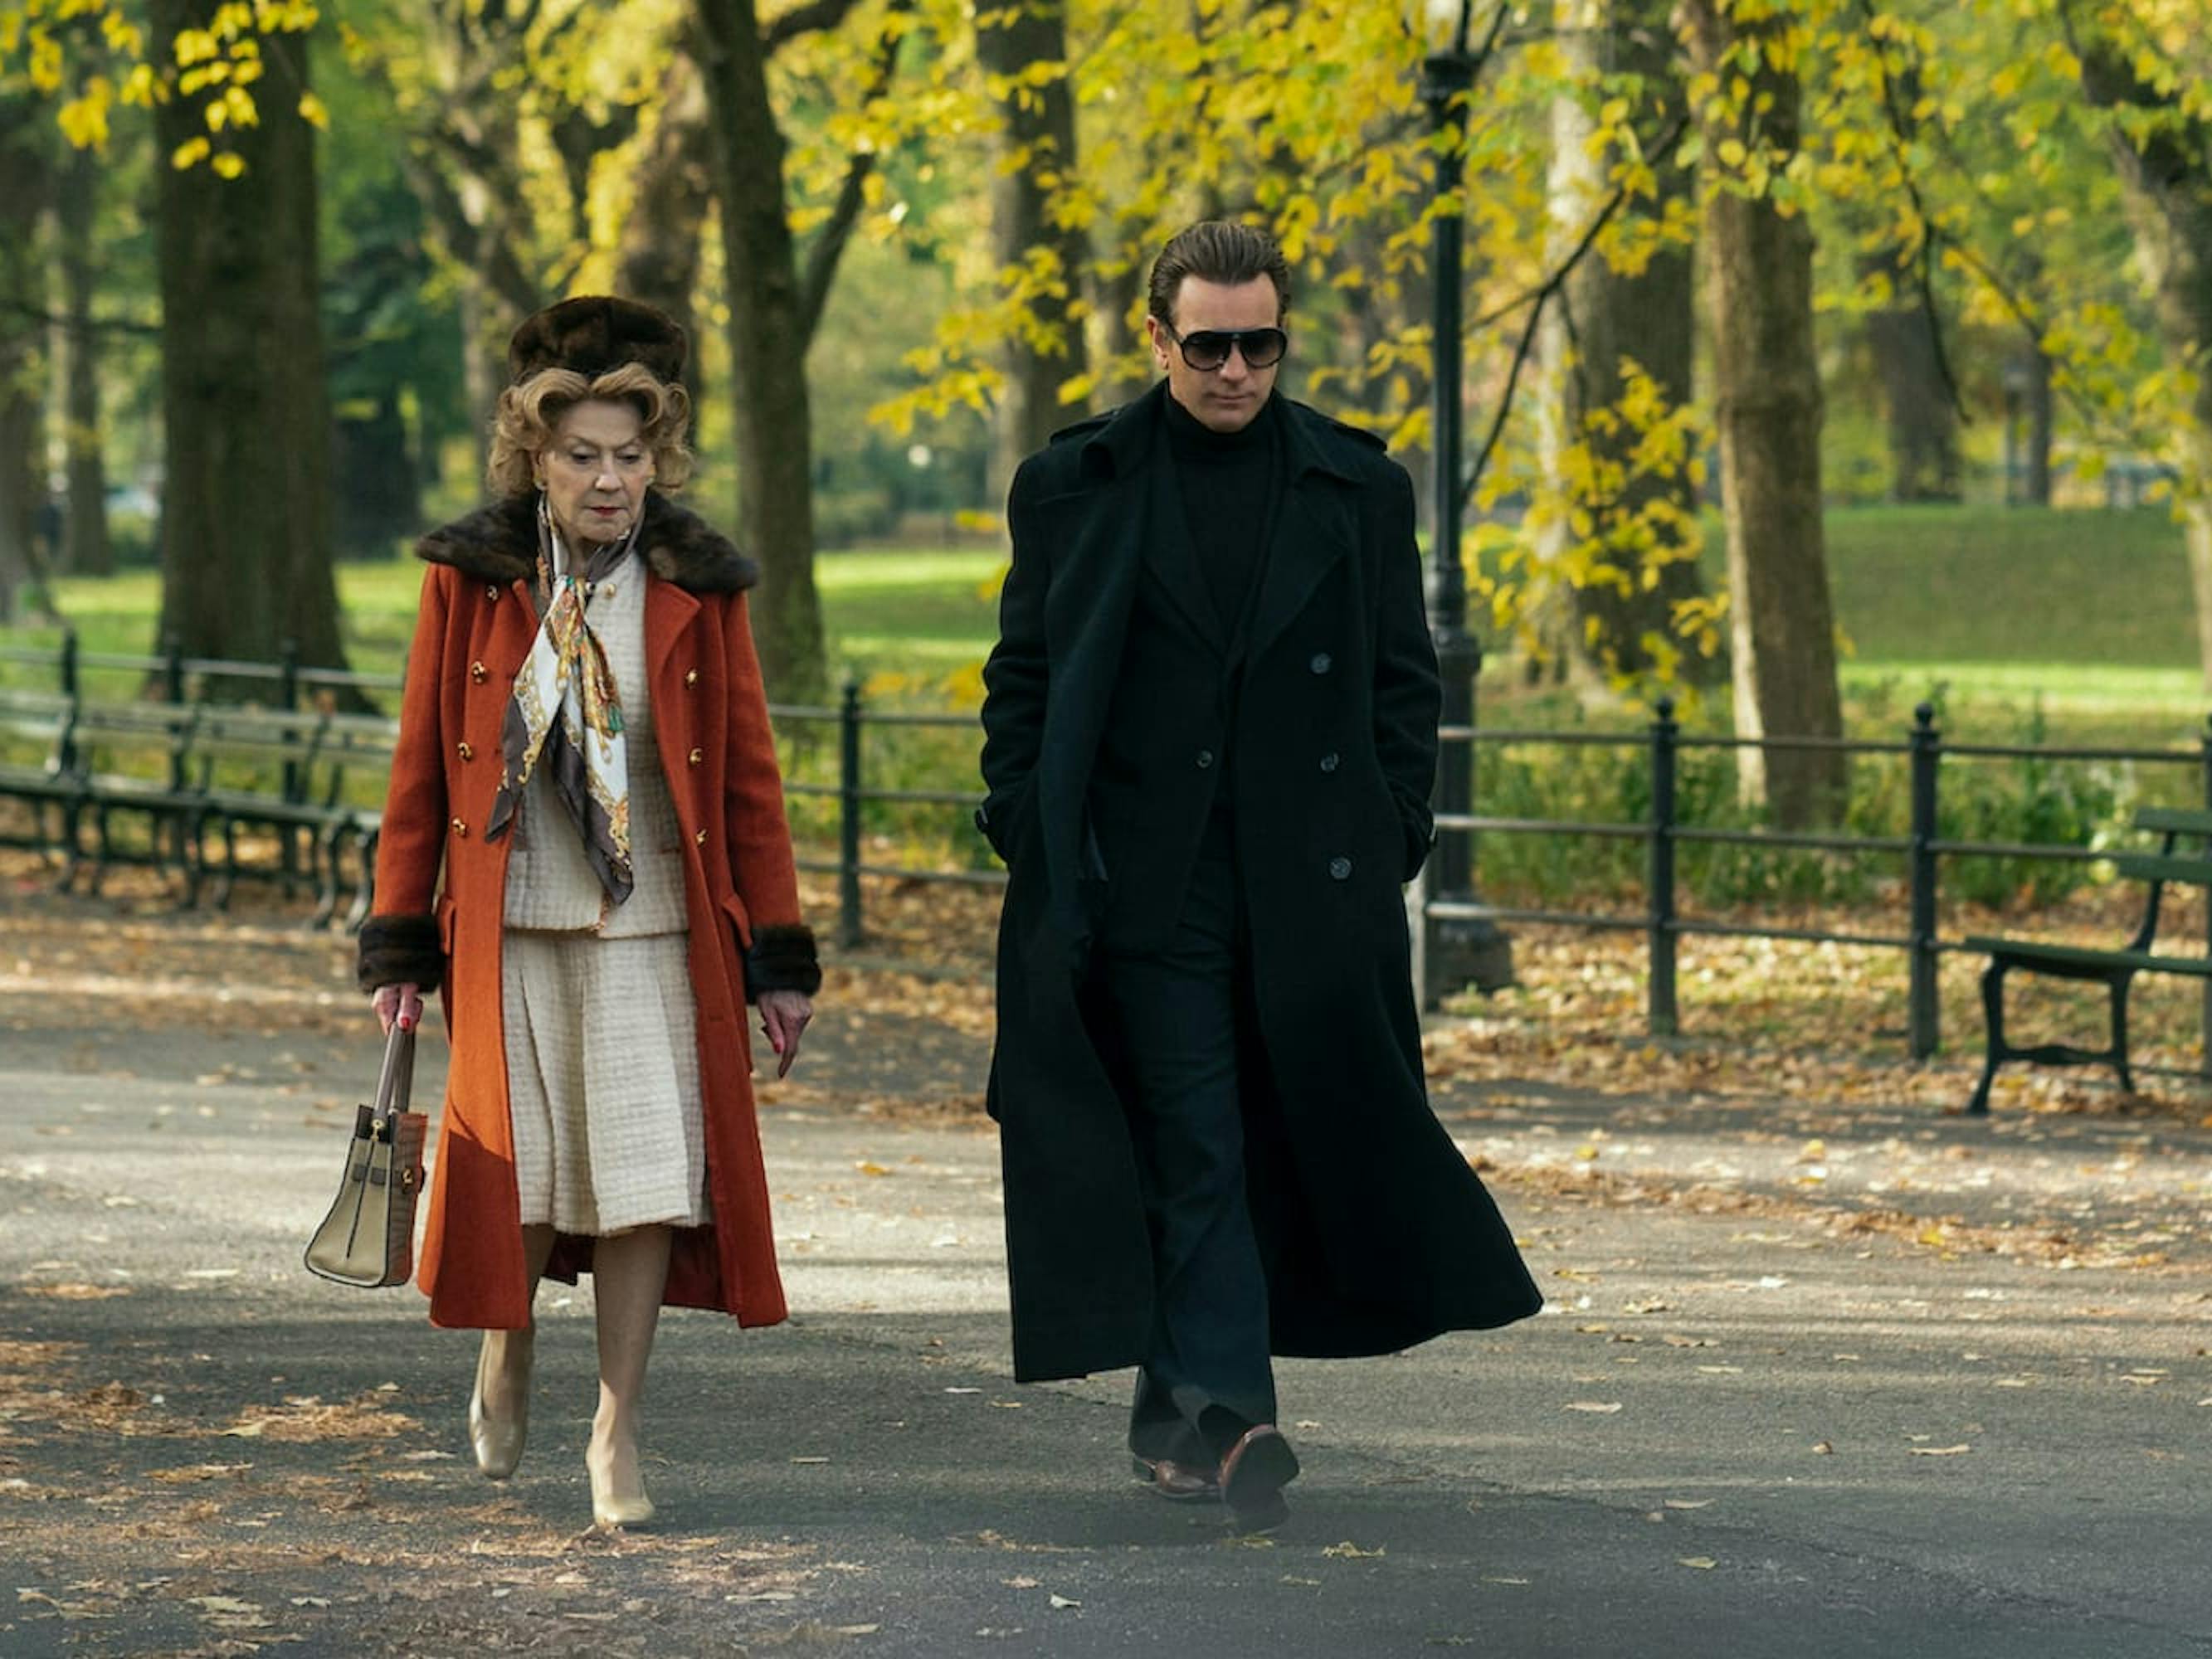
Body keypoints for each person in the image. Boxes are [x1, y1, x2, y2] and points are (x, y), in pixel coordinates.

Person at [977, 221, 1542, 1532]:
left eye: (1262, 343)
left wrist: (1398, 829)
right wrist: (1031, 822)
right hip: (1145, 893)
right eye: (1212, 345)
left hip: (1310, 890)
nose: (1238, 369)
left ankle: (1174, 1419)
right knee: (1195, 1141)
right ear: (1159, 339)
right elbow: (1025, 677)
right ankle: (1236, 1415)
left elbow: (1406, 683)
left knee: (1286, 1139)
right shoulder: (1077, 483)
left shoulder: (1356, 486)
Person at [358, 296, 820, 1530]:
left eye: (631, 455)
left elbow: (749, 779)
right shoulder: (473, 583)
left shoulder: (698, 586)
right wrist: (398, 937)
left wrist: (781, 957)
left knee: (648, 1178)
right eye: (583, 456)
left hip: (659, 922)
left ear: (656, 461)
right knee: (522, 1178)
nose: (609, 480)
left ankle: (618, 1429)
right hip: (509, 919)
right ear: (535, 458)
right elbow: (419, 765)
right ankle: (506, 1352)